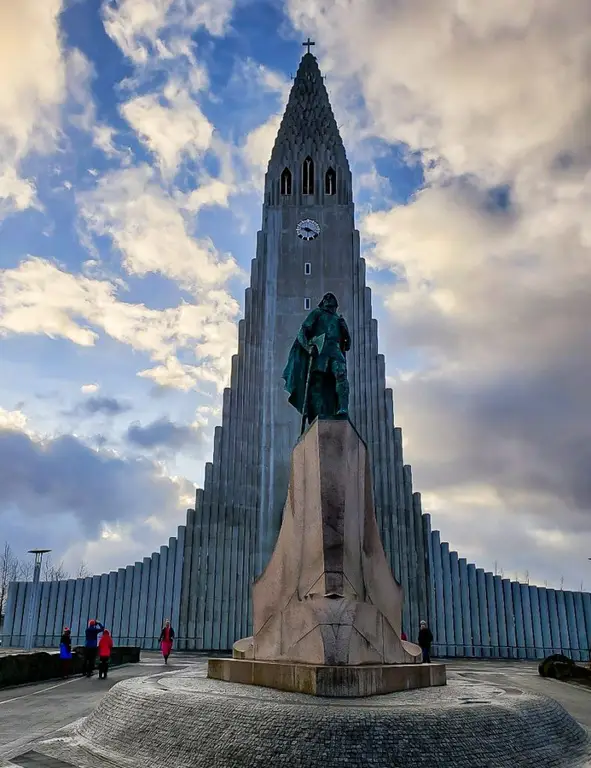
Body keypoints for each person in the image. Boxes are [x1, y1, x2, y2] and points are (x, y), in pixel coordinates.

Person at [283, 292, 351, 431]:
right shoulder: (317, 313)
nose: (330, 303)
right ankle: (318, 413)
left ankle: (342, 408)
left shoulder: (338, 319)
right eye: (328, 300)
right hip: (321, 351)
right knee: (318, 383)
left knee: (341, 376)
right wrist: (308, 347)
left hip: (336, 351)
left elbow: (347, 345)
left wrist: (346, 331)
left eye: (332, 301)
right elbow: (303, 332)